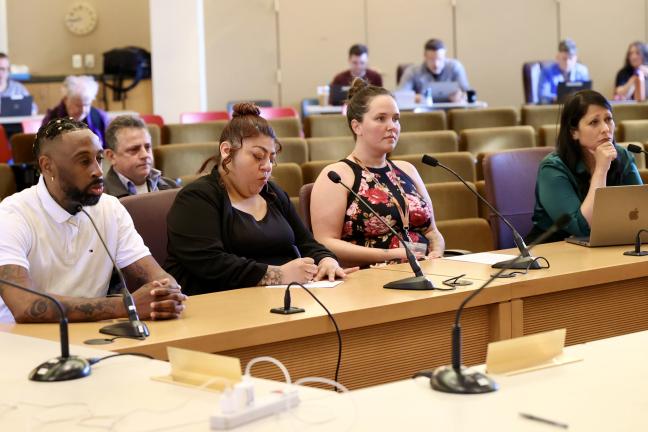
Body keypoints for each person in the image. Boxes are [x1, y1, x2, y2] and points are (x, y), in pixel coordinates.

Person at [0, 118, 186, 323]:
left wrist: (167, 292)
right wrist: (127, 306)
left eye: (99, 158)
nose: (98, 171)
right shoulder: (11, 215)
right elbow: (24, 305)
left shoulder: (110, 208)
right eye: (83, 161)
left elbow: (156, 276)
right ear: (48, 166)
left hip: (92, 335)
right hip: (20, 342)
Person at [165, 103, 354, 295]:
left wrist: (326, 260)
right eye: (258, 156)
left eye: (271, 158)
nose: (267, 166)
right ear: (227, 151)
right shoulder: (196, 198)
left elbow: (307, 243)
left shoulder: (272, 193)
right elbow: (210, 263)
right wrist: (278, 274)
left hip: (280, 299)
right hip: (218, 306)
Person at [310, 79, 445, 268]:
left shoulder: (407, 169)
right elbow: (325, 242)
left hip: (426, 268)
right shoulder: (337, 176)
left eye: (396, 118)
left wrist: (437, 252)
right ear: (357, 126)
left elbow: (432, 231)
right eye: (381, 118)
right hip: (370, 276)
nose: (392, 126)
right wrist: (391, 254)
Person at [527, 90, 642, 243]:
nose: (605, 129)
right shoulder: (552, 168)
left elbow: (641, 212)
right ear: (574, 132)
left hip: (607, 245)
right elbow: (583, 227)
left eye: (608, 119)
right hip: (553, 253)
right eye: (594, 122)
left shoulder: (623, 156)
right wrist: (601, 170)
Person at [103, 115, 178, 198]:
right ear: (111, 156)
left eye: (147, 147)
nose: (145, 155)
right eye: (134, 149)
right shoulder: (101, 197)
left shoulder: (172, 188)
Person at [42, 75, 109, 146]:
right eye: (78, 105)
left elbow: (108, 149)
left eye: (86, 104)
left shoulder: (100, 117)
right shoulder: (51, 120)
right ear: (65, 99)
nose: (83, 110)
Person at [397, 38, 470, 103]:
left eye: (440, 59)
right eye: (432, 59)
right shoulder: (412, 71)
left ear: (445, 56)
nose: (436, 64)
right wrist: (417, 98)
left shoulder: (455, 67)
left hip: (451, 110)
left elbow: (467, 93)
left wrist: (461, 96)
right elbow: (400, 95)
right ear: (425, 56)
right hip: (423, 111)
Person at [538, 39, 590, 104]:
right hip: (554, 109)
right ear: (557, 57)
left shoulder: (583, 71)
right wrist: (558, 98)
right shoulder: (546, 71)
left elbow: (587, 96)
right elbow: (543, 97)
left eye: (570, 58)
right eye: (564, 59)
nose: (567, 62)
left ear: (576, 58)